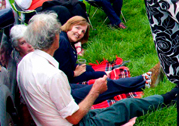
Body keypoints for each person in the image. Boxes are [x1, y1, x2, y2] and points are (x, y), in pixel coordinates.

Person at [17, 13, 178, 126]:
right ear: (55, 38)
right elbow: (74, 118)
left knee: (113, 108)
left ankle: (157, 89)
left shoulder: (24, 63)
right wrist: (95, 90)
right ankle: (169, 98)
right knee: (126, 105)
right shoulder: (53, 75)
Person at [10, 22, 159, 106]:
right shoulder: (51, 71)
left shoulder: (27, 62)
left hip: (58, 95)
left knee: (97, 86)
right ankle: (146, 81)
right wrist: (94, 91)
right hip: (64, 115)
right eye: (23, 42)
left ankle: (143, 82)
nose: (28, 45)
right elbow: (72, 117)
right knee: (106, 90)